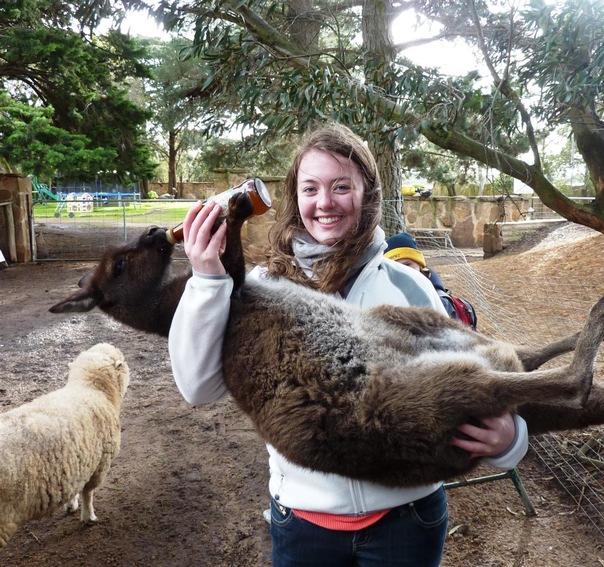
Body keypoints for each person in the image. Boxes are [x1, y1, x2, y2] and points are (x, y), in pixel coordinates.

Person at [168, 123, 528, 567]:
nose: (324, 203)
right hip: (302, 524)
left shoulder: (408, 284)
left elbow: (475, 376)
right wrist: (207, 280)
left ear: (367, 194)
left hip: (407, 520)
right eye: (310, 188)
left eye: (342, 186)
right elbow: (198, 388)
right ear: (294, 199)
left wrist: (511, 440)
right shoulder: (260, 288)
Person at [385, 232, 478, 330]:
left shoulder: (439, 301)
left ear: (420, 265)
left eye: (407, 265)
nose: (403, 271)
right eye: (395, 267)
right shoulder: (385, 299)